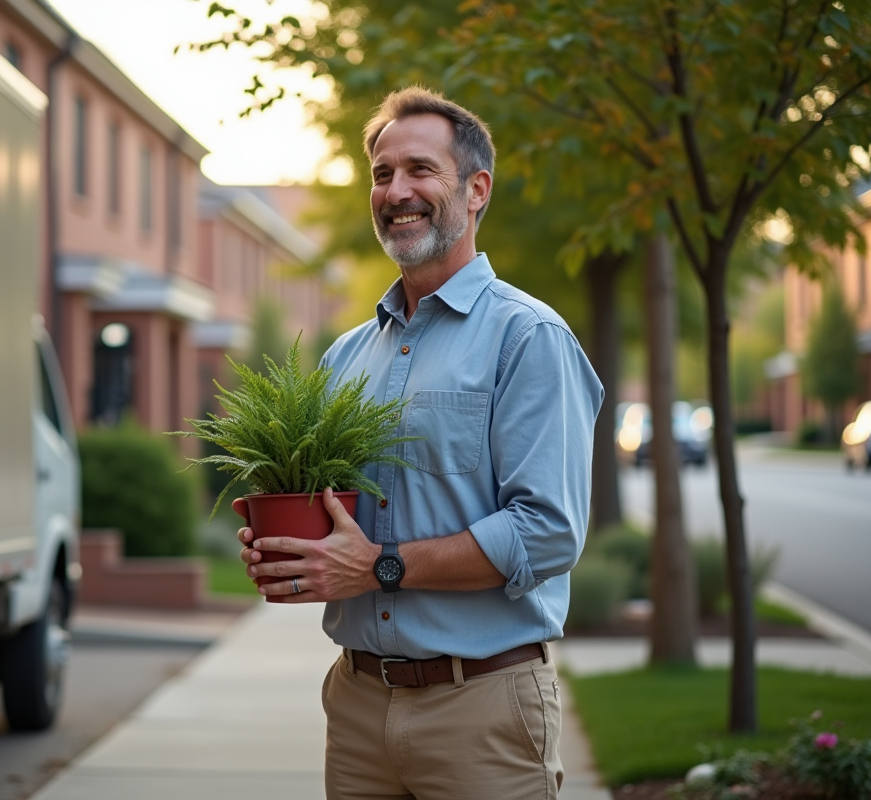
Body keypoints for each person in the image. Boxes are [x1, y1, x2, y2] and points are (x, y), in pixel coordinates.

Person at [238, 86, 604, 800]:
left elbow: (548, 533)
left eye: (419, 170)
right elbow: (328, 515)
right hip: (356, 706)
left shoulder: (527, 338)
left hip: (484, 711)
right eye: (381, 175)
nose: (396, 191)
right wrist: (284, 548)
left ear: (476, 191)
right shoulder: (346, 356)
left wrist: (380, 567)